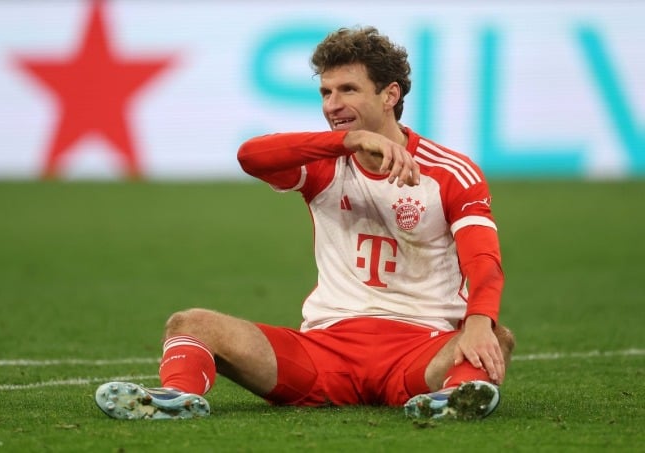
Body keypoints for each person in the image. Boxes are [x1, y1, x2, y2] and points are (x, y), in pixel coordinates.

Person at [95, 26, 515, 421]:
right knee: (190, 323)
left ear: (390, 95)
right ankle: (178, 397)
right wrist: (347, 140)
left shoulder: (450, 171)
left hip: (419, 349)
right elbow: (250, 156)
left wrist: (479, 323)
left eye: (348, 89)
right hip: (324, 352)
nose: (333, 104)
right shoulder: (324, 163)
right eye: (326, 92)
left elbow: (483, 260)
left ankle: (448, 398)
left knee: (496, 337)